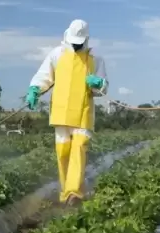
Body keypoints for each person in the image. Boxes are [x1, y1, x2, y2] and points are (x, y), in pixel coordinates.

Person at [26, 19, 108, 206]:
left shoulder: (95, 59)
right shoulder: (57, 54)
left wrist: (99, 83)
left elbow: (102, 88)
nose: (76, 44)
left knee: (79, 147)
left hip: (82, 111)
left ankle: (74, 193)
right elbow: (44, 76)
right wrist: (34, 91)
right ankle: (65, 192)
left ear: (86, 40)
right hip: (61, 112)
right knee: (63, 151)